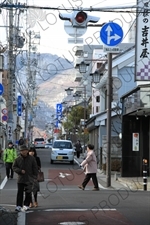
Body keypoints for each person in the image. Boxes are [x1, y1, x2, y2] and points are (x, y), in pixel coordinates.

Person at [12, 145, 38, 212]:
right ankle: (18, 206)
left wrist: (35, 177)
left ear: (27, 151)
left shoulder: (32, 159)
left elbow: (35, 168)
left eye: (25, 150)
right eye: (22, 151)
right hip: (21, 178)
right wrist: (20, 171)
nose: (23, 152)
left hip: (29, 179)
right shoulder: (17, 159)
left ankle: (26, 205)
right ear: (20, 151)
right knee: (20, 193)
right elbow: (14, 167)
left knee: (28, 192)